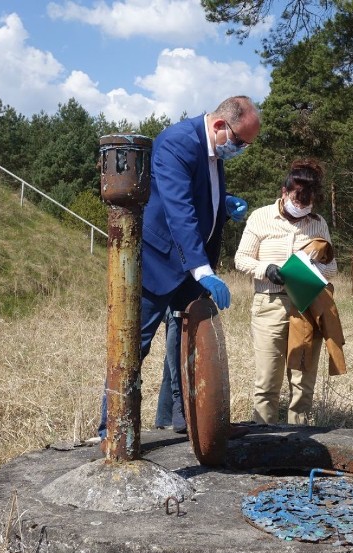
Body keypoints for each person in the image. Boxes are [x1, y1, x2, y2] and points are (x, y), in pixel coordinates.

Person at [98, 95, 260, 440]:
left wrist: (220, 204)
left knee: (191, 346)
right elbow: (178, 208)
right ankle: (110, 430)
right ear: (220, 125)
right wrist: (202, 270)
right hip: (160, 261)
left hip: (188, 266)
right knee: (132, 347)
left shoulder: (213, 147)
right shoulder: (178, 141)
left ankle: (191, 424)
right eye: (241, 141)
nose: (243, 149)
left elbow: (198, 193)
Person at [234, 158, 341, 425]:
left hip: (306, 306)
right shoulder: (260, 217)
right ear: (284, 192)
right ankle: (263, 442)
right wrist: (266, 269)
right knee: (267, 381)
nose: (302, 206)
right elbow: (241, 259)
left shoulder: (318, 224)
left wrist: (310, 268)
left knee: (302, 382)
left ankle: (300, 443)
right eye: (297, 199)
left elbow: (332, 269)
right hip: (269, 305)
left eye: (308, 203)